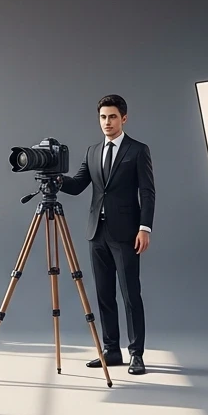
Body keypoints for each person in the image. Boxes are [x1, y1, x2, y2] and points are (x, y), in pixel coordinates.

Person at [58, 94, 155, 375]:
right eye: (103, 117)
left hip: (126, 234)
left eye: (112, 117)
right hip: (96, 233)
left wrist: (144, 228)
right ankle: (111, 351)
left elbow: (147, 193)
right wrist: (55, 178)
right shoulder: (92, 151)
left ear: (123, 118)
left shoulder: (138, 150)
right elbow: (77, 185)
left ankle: (136, 354)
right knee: (104, 295)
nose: (107, 122)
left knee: (130, 295)